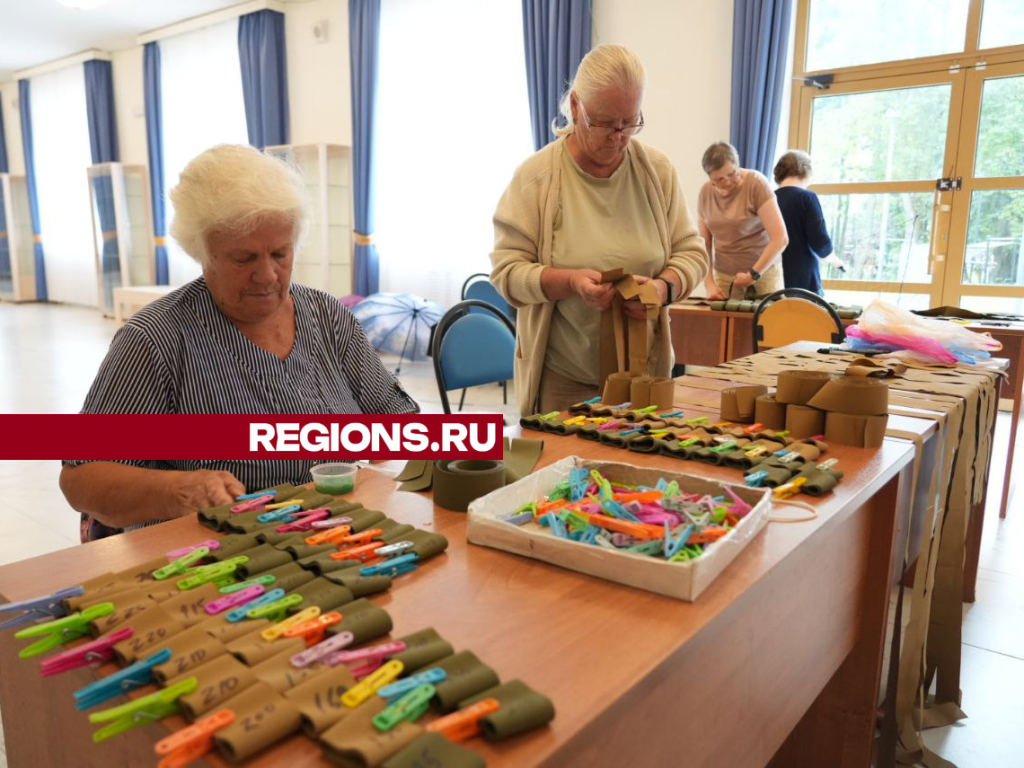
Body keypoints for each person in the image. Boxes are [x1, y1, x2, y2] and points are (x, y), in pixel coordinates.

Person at [60, 144, 418, 542]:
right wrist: (179, 489)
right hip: (216, 560)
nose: (267, 275)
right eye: (243, 258)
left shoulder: (327, 316)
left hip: (334, 539)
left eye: (280, 253)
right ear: (202, 252)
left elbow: (395, 421)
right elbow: (82, 478)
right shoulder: (156, 341)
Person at [490, 44, 708, 416]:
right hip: (563, 383)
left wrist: (662, 287)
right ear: (576, 106)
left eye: (630, 121)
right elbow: (507, 274)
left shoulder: (657, 171)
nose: (619, 136)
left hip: (646, 381)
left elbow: (692, 251)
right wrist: (571, 282)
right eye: (606, 122)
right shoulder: (537, 179)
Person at [697, 142, 788, 300]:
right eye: (719, 179)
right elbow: (704, 243)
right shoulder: (706, 193)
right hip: (725, 277)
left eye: (732, 174)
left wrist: (753, 274)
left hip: (763, 274)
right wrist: (709, 283)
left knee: (768, 322)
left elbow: (780, 238)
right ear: (710, 177)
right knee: (725, 324)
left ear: (737, 164)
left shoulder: (756, 183)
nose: (727, 182)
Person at [773, 150, 835, 295]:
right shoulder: (807, 198)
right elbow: (819, 242)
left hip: (772, 277)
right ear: (806, 172)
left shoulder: (768, 198)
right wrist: (831, 256)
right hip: (803, 280)